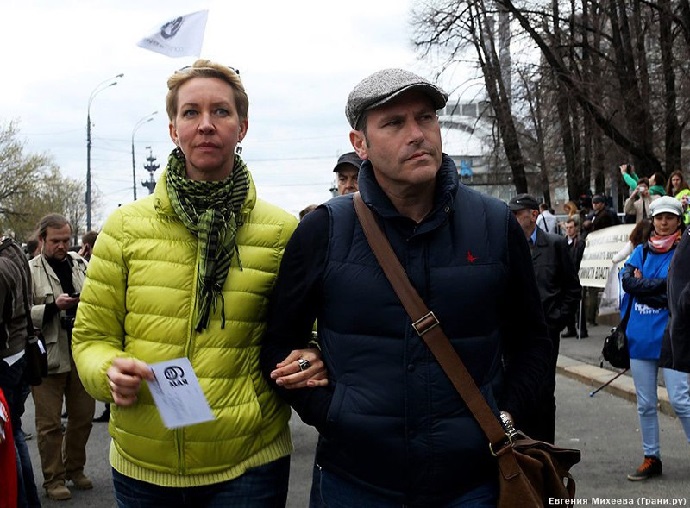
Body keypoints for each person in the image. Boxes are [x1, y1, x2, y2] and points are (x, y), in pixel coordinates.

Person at [261, 68, 551, 506]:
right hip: (354, 482)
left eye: (426, 118)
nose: (417, 134)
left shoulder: (494, 224)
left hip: (474, 484)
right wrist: (334, 415)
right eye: (394, 123)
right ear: (360, 144)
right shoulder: (325, 229)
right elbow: (278, 348)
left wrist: (506, 415)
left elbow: (533, 341)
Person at [71, 60, 325, 508]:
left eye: (221, 112)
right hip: (142, 463)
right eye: (191, 113)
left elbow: (316, 330)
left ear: (242, 127)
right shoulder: (125, 228)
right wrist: (106, 372)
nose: (205, 125)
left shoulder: (283, 231)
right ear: (173, 130)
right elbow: (91, 338)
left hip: (249, 463)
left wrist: (313, 355)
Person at [620, 196, 690, 481]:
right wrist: (658, 287)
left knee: (681, 400)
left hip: (672, 337)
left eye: (669, 218)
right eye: (659, 217)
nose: (663, 222)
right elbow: (627, 281)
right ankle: (652, 457)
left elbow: (677, 287)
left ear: (678, 221)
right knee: (646, 403)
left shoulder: (683, 251)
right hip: (639, 337)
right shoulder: (642, 251)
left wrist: (645, 285)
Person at [28, 214, 93, 501]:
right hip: (47, 357)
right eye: (56, 241)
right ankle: (53, 479)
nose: (62, 246)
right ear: (42, 239)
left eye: (67, 240)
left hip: (80, 351)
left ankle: (74, 468)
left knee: (83, 417)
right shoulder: (29, 271)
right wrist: (53, 307)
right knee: (49, 424)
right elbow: (20, 314)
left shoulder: (80, 265)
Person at [509, 194, 581, 443]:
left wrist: (557, 319)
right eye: (512, 214)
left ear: (533, 215)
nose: (514, 219)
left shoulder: (555, 245)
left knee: (543, 391)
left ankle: (545, 453)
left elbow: (572, 289)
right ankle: (521, 451)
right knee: (516, 391)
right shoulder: (506, 245)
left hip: (545, 331)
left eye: (519, 214)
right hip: (514, 332)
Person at [0, 236, 41, 507]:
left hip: (7, 359)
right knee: (13, 434)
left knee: (8, 439)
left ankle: (21, 500)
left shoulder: (3, 266)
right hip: (18, 354)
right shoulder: (13, 255)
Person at [562, 218, 588, 338]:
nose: (569, 230)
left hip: (577, 274)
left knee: (579, 304)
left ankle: (582, 329)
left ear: (576, 228)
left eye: (571, 227)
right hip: (566, 276)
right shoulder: (563, 242)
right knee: (567, 303)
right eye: (567, 228)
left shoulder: (580, 242)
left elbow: (579, 258)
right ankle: (571, 328)